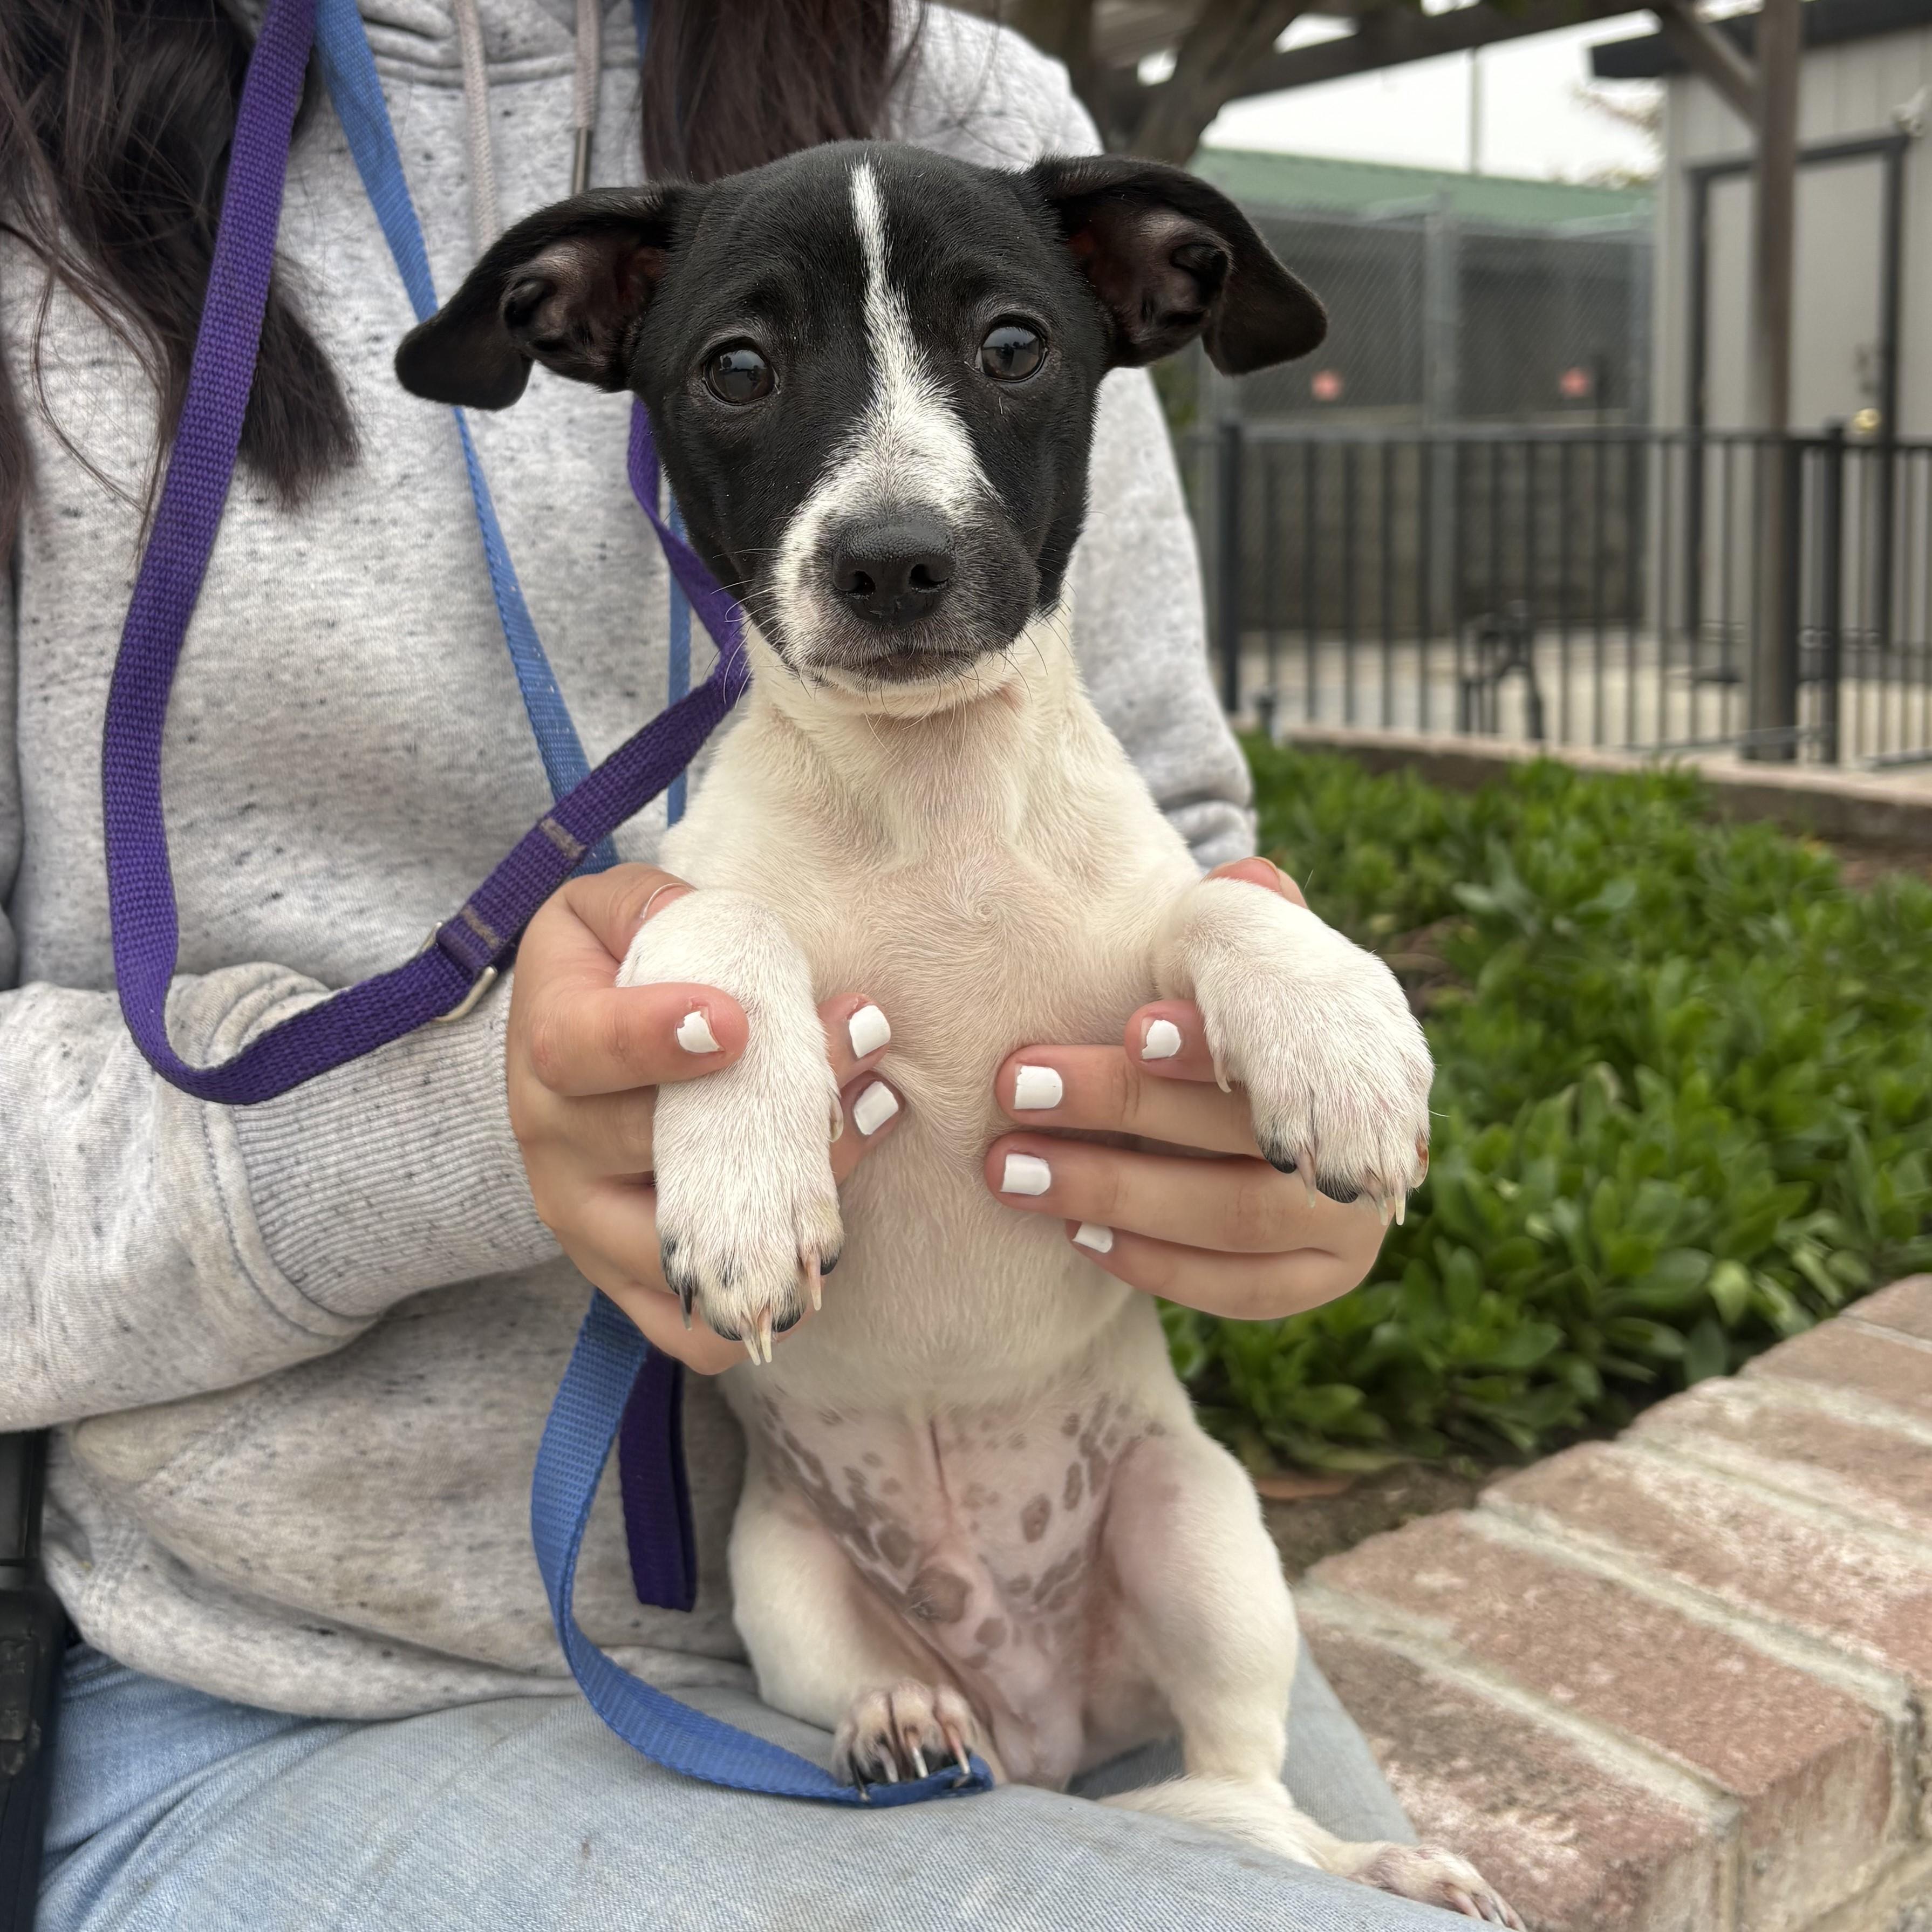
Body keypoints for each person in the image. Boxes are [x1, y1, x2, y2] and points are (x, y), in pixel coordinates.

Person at [1, 3, 1452, 1925]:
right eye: (749, 366)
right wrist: (466, 1124)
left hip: (1093, 1549)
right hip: (300, 1676)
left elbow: (1176, 856)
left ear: (1137, 303)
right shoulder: (45, 158)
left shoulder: (972, 105)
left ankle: (1238, 1797)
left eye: (1008, 346)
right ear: (595, 332)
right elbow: (724, 939)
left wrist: (1263, 1109)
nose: (901, 517)